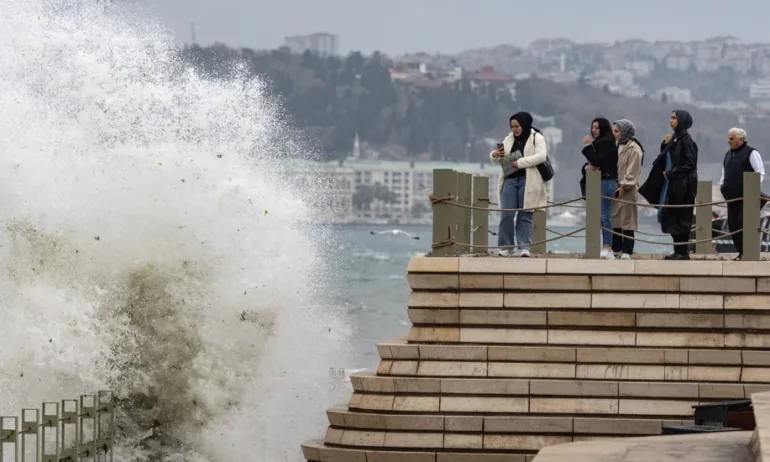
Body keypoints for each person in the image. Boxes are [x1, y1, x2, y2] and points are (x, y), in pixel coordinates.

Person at [640, 110, 698, 260]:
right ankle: (677, 251)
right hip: (672, 186)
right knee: (671, 217)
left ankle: (683, 252)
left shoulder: (687, 141)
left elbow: (690, 164)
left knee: (681, 218)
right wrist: (664, 144)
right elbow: (664, 157)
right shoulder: (674, 139)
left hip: (683, 187)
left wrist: (672, 173)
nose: (670, 121)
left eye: (674, 118)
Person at [490, 112, 548, 257]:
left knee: (525, 214)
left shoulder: (536, 138)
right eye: (512, 126)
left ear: (524, 124)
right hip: (510, 179)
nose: (514, 129)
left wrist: (520, 163)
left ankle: (524, 247)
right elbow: (501, 157)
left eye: (517, 126)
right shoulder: (509, 139)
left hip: (528, 180)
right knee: (506, 214)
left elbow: (541, 156)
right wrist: (494, 155)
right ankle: (505, 246)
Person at [719, 127, 765, 260]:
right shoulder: (727, 154)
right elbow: (724, 173)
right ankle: (741, 252)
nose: (729, 141)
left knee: (744, 225)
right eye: (729, 138)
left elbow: (759, 172)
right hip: (731, 198)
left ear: (740, 140)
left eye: (731, 139)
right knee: (734, 226)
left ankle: (747, 253)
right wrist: (722, 186)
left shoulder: (751, 153)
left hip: (746, 198)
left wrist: (753, 189)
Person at [581, 118, 618, 259]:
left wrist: (587, 146)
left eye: (597, 127)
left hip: (607, 181)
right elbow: (595, 163)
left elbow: (597, 160)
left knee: (605, 215)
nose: (593, 130)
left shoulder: (607, 143)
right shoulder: (601, 143)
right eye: (592, 127)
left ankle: (608, 247)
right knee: (602, 216)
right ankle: (603, 246)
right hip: (600, 181)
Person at [611, 119, 644, 259]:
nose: (614, 134)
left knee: (627, 220)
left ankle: (627, 251)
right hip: (615, 189)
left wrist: (624, 186)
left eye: (617, 131)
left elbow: (633, 172)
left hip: (627, 190)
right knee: (615, 219)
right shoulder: (616, 146)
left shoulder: (635, 149)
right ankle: (616, 248)